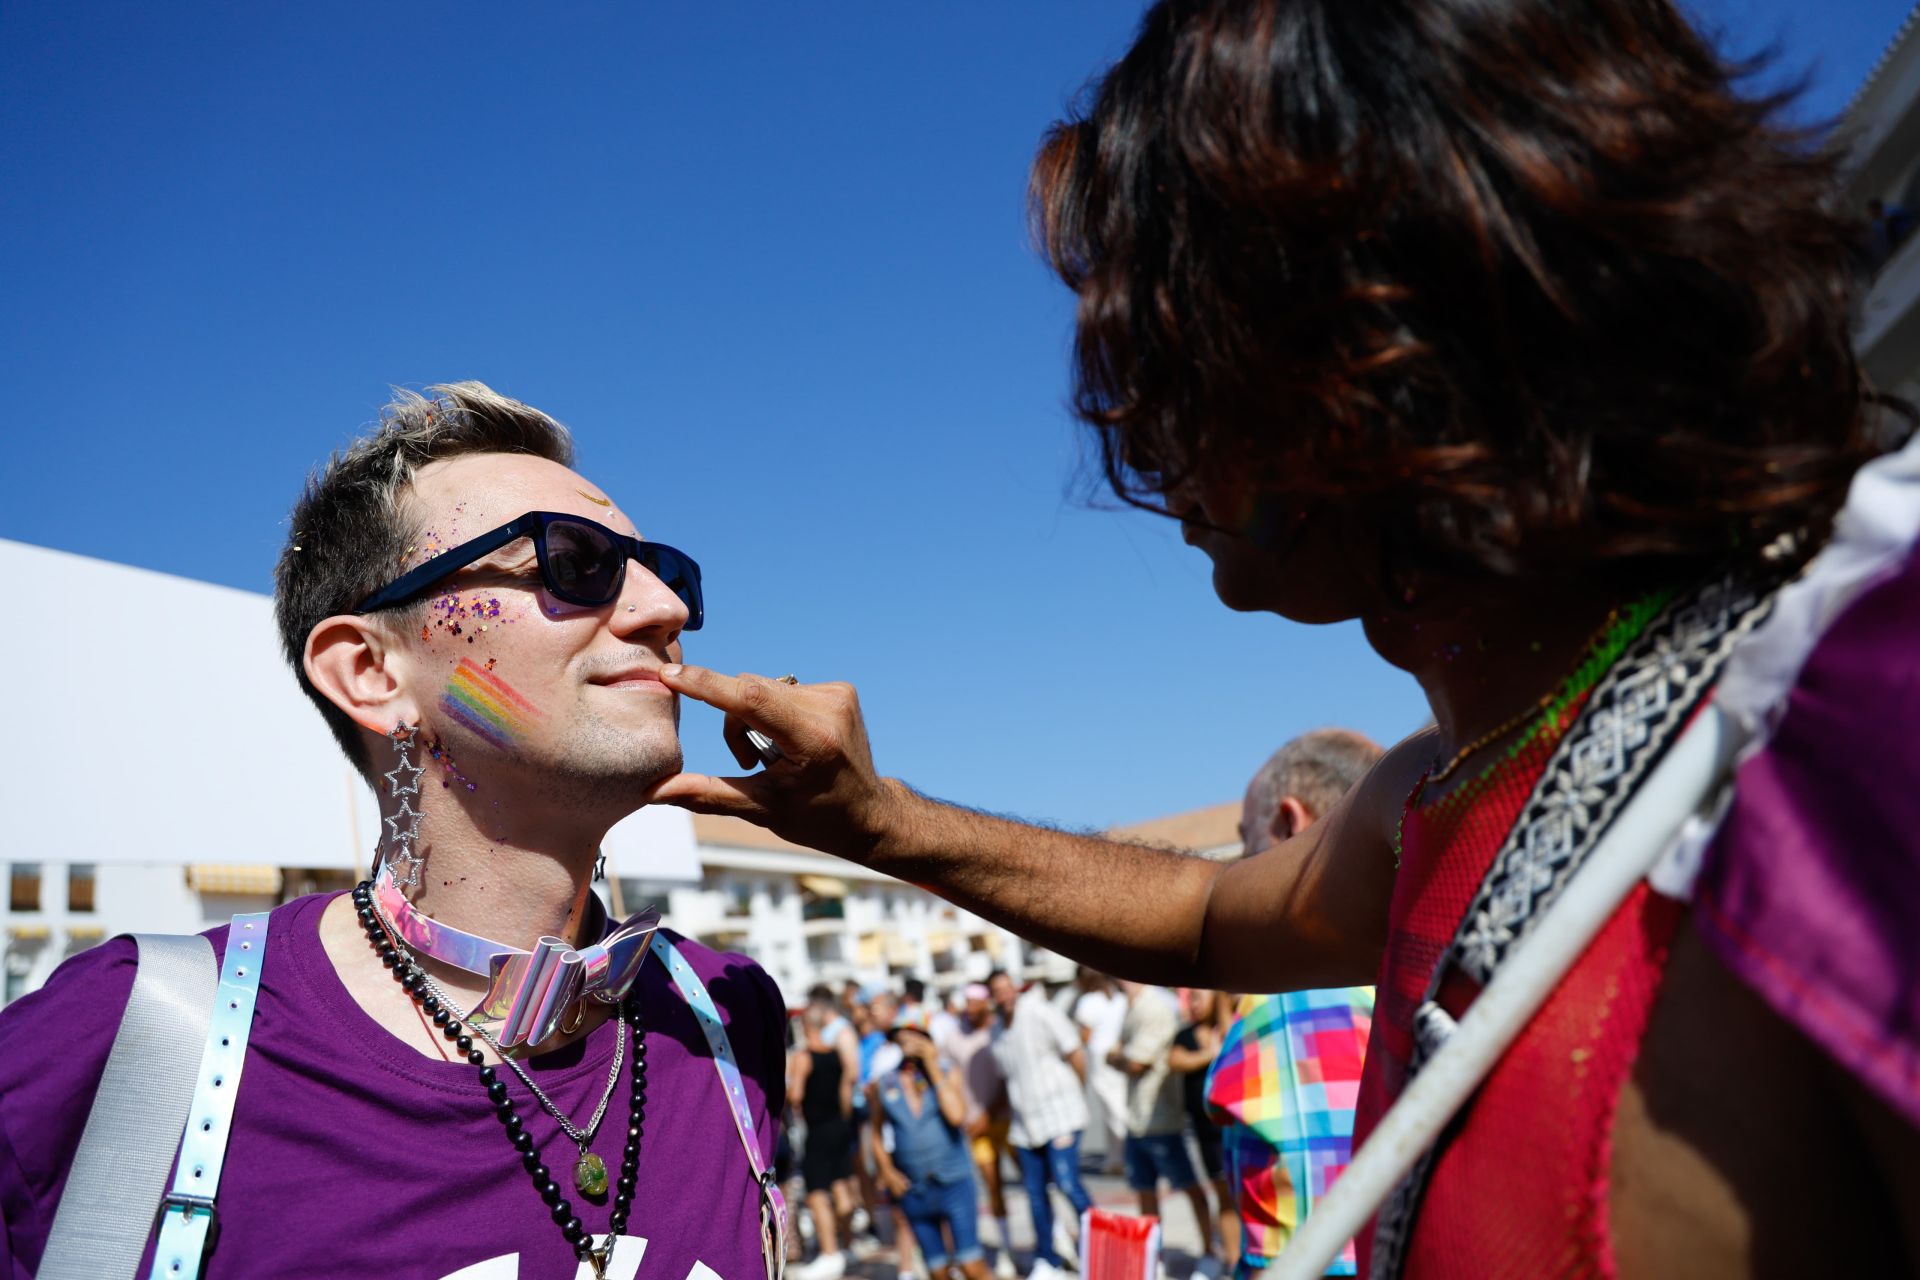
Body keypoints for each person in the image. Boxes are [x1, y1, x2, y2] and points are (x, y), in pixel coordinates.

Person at [642, 0, 1920, 1273]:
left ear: (1362, 347)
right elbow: (1202, 913)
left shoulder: (1835, 741)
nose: (1131, 425)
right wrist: (885, 823)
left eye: (1167, 344)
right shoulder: (1433, 786)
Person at [0, 382, 787, 1277]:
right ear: (372, 671)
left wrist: (885, 830)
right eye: (574, 560)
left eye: (668, 572)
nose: (666, 611)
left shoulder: (724, 1015)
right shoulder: (119, 1038)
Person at [1203, 733, 1383, 1276]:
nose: (1240, 863)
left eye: (1246, 838)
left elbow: (1310, 1257)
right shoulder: (1417, 959)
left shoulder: (1295, 999)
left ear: (1289, 823)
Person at [984, 969, 1092, 1280]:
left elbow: (1075, 1053)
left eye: (1007, 988)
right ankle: (1048, 1259)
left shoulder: (1042, 1013)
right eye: (997, 990)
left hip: (1061, 1117)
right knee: (1034, 1194)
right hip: (1025, 1125)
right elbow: (1007, 1081)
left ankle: (1096, 1246)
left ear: (1015, 988)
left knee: (1068, 1184)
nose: (1004, 995)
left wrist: (1075, 1094)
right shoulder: (997, 1032)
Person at [870, 1022, 992, 1280]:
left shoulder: (946, 1072)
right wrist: (887, 1171)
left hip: (953, 1182)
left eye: (916, 1038)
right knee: (936, 1270)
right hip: (914, 1188)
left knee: (972, 1265)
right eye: (901, 1040)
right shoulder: (886, 1083)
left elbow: (957, 1115)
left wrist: (932, 1066)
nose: (909, 1045)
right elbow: (876, 1134)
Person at [1109, 983, 1215, 1259]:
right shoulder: (1133, 1006)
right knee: (1145, 1193)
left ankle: (1209, 1250)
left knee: (1191, 1189)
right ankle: (1151, 1258)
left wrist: (1118, 1057)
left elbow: (1135, 1062)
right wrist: (1121, 1057)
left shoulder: (1155, 1007)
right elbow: (1119, 1056)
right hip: (1138, 1119)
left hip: (1162, 1121)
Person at [943, 982, 1018, 1278]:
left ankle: (1055, 1237)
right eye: (967, 1005)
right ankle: (1007, 1248)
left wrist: (988, 1112)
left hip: (1008, 1119)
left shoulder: (998, 1030)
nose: (970, 1011)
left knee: (1035, 1179)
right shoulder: (953, 1037)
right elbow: (953, 1077)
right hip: (977, 1124)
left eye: (976, 1005)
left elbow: (1006, 1077)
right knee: (993, 1184)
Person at [1168, 989, 1238, 1273]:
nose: (1193, 1004)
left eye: (1200, 997)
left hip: (1233, 1127)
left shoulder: (1233, 1027)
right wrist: (1211, 1054)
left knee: (1239, 1195)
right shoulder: (1185, 1034)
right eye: (1191, 999)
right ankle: (1231, 1261)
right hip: (1205, 1131)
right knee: (1222, 1195)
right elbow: (1176, 1060)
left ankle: (1240, 1256)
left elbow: (1231, 1054)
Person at [792, 1003, 863, 1280]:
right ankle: (847, 1245)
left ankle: (830, 1252)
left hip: (818, 1129)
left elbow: (796, 1095)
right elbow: (846, 1086)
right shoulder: (835, 1055)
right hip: (838, 1125)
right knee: (841, 1186)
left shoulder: (804, 1056)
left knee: (817, 1193)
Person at [1071, 966, 1130, 1175]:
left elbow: (1085, 1037)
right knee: (1114, 1108)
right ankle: (1115, 1160)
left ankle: (1129, 1156)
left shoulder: (1087, 1002)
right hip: (1120, 1055)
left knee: (1115, 1112)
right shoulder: (1118, 998)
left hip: (1100, 1060)